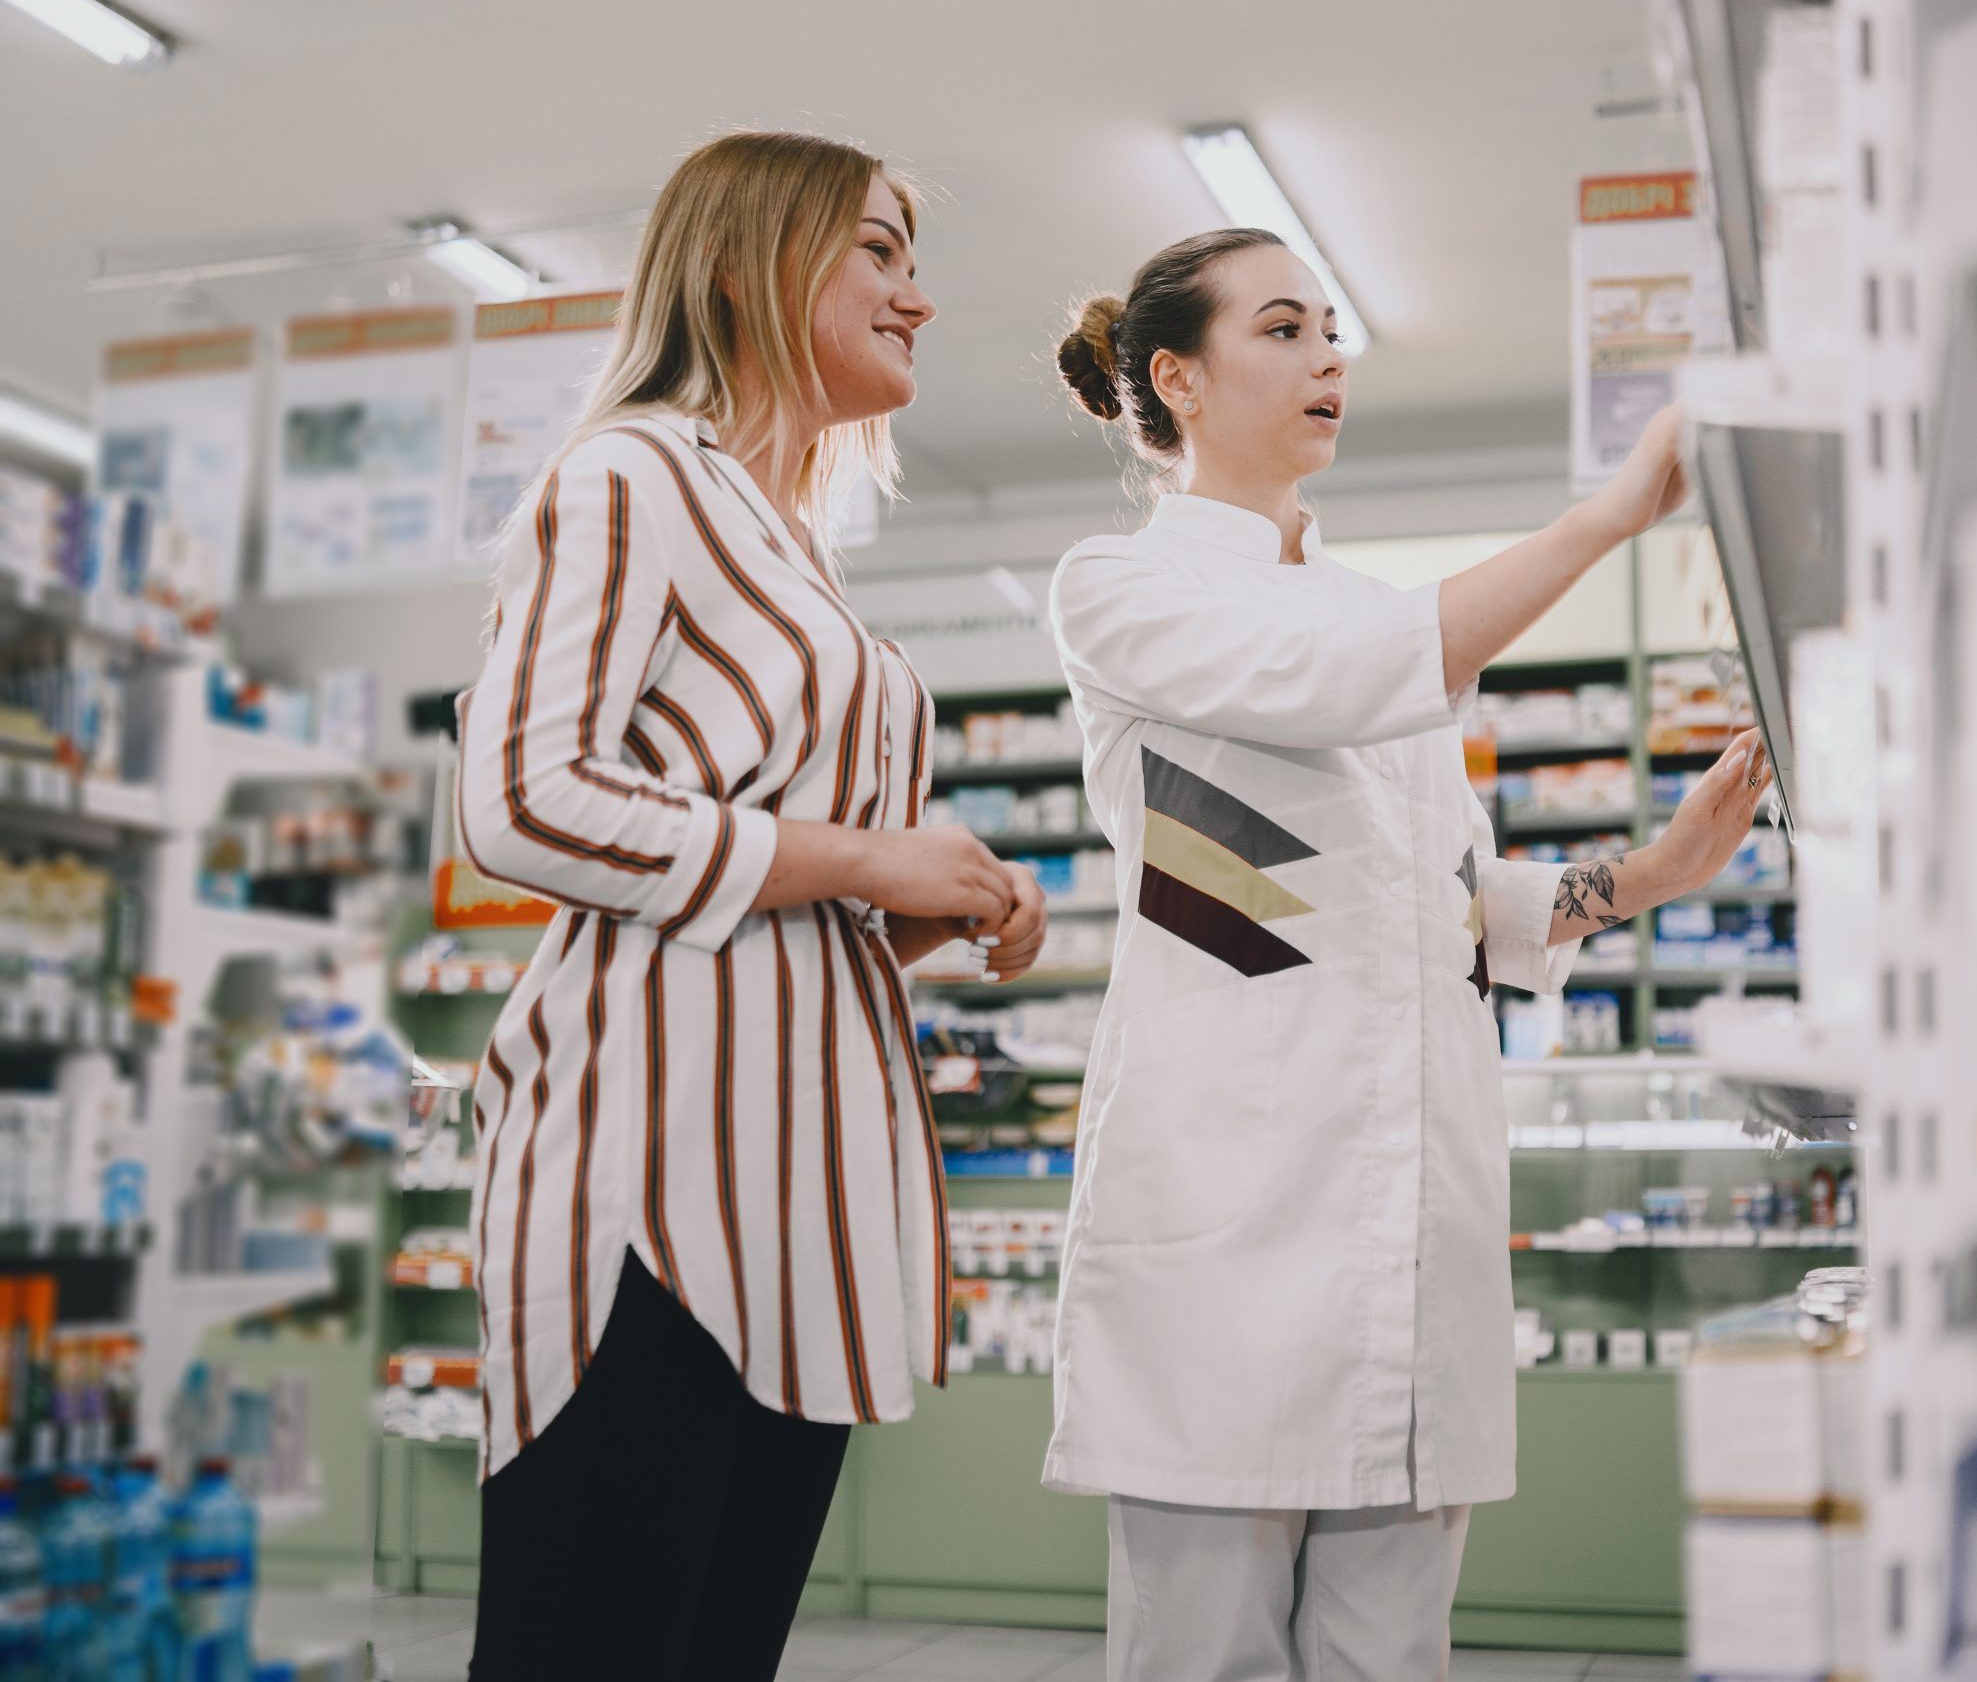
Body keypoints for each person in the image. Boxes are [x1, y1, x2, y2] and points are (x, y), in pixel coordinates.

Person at [1043, 227, 1773, 1678]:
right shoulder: (1119, 590)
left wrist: (1656, 873)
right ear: (1176, 377)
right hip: (1229, 1230)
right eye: (1284, 330)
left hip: (1412, 1237)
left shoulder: (1382, 614)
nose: (1328, 358)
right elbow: (1327, 689)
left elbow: (1441, 897)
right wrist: (1606, 517)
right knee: (1205, 1659)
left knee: (1395, 1662)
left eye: (1332, 333)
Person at [453, 130, 1048, 1682]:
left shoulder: (795, 545)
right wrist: (861, 861)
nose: (917, 298)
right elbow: (522, 797)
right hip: (654, 1194)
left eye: (915, 261)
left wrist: (912, 914)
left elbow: (743, 867)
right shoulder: (632, 471)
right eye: (879, 251)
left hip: (800, 1216)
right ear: (741, 267)